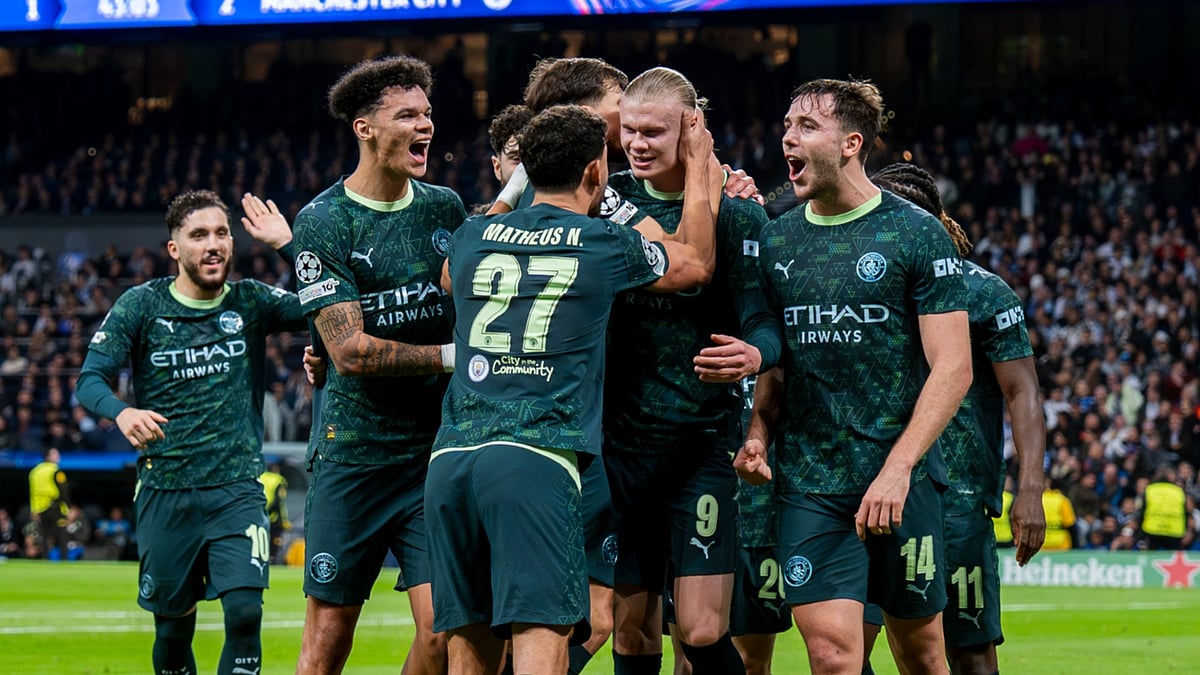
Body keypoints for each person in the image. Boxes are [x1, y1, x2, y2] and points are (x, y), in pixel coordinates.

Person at [425, 103, 721, 675]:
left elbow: (446, 275)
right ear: (595, 172)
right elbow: (695, 264)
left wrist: (514, 190)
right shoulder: (601, 242)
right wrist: (702, 171)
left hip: (450, 459)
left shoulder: (471, 235)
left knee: (469, 653)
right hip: (534, 459)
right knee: (542, 641)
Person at [734, 78, 972, 675]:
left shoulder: (915, 232)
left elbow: (955, 366)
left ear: (851, 143)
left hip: (902, 478)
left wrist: (898, 468)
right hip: (811, 480)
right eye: (786, 126)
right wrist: (758, 430)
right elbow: (777, 366)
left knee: (921, 654)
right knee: (833, 655)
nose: (788, 137)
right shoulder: (777, 238)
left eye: (807, 127)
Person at [75, 189, 307, 675]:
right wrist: (121, 413)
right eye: (198, 235)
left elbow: (326, 301)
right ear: (174, 248)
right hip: (166, 490)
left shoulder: (252, 302)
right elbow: (89, 379)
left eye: (221, 233)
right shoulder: (141, 305)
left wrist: (289, 245)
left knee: (245, 613)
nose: (214, 244)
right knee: (173, 628)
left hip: (237, 489)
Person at [289, 54, 466, 675]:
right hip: (352, 457)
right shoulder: (323, 221)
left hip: (430, 456)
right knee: (329, 639)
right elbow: (350, 352)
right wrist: (451, 356)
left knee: (445, 632)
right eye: (406, 116)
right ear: (365, 128)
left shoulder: (446, 208)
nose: (425, 127)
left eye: (427, 114)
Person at [603, 67, 779, 675]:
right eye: (629, 131)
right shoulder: (605, 203)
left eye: (653, 131)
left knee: (703, 629)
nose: (638, 143)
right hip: (619, 447)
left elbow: (764, 320)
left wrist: (756, 355)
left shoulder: (739, 216)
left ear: (692, 127)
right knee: (631, 631)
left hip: (703, 445)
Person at [872, 161, 1047, 674]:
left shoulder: (983, 292)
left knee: (968, 653)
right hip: (864, 484)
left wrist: (1030, 489)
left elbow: (1023, 392)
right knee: (848, 644)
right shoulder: (860, 284)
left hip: (959, 499)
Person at [28, 446, 69, 559]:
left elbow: (33, 493)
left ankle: (44, 559)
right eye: (55, 454)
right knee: (62, 535)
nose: (58, 457)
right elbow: (63, 490)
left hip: (40, 509)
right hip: (55, 507)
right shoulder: (56, 471)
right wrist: (67, 507)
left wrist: (34, 510)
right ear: (48, 456)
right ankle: (64, 559)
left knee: (44, 536)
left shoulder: (34, 472)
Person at [1141, 465, 1186, 550]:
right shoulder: (1179, 491)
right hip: (1174, 530)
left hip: (1153, 529)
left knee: (1151, 559)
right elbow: (1185, 512)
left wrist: (1141, 532)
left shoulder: (1150, 490)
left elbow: (1142, 511)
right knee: (1172, 559)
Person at [259, 462, 290, 561]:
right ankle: (272, 559)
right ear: (276, 469)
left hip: (259, 513)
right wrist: (283, 520)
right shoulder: (278, 480)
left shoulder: (260, 477)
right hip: (272, 516)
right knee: (274, 541)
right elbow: (278, 501)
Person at [1041, 476, 1077, 550]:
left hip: (1040, 543)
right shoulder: (1062, 500)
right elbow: (1070, 523)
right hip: (1061, 544)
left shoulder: (1036, 500)